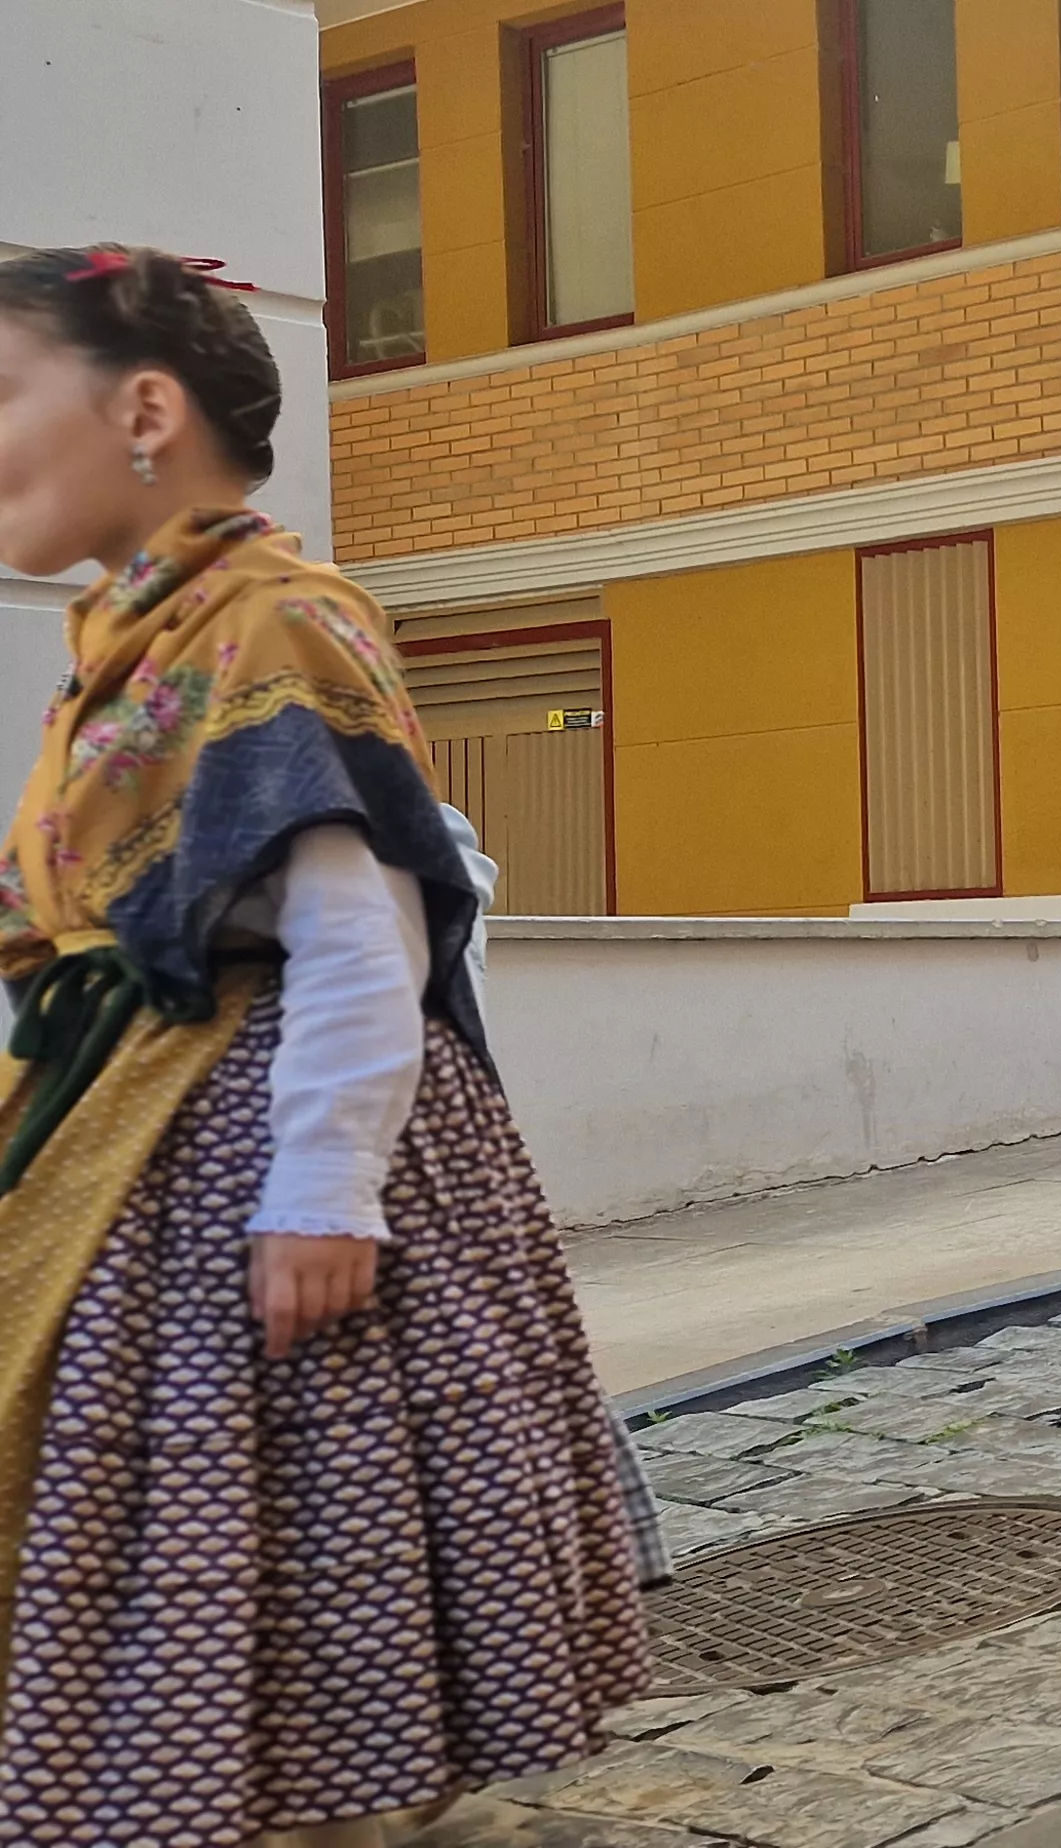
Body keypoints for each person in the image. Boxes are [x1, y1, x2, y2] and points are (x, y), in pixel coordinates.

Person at [0, 244, 647, 1842]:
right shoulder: (125, 649)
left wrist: (322, 1193)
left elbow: (365, 933)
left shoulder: (280, 622)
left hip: (251, 1145)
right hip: (124, 1128)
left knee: (291, 1532)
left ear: (143, 407)